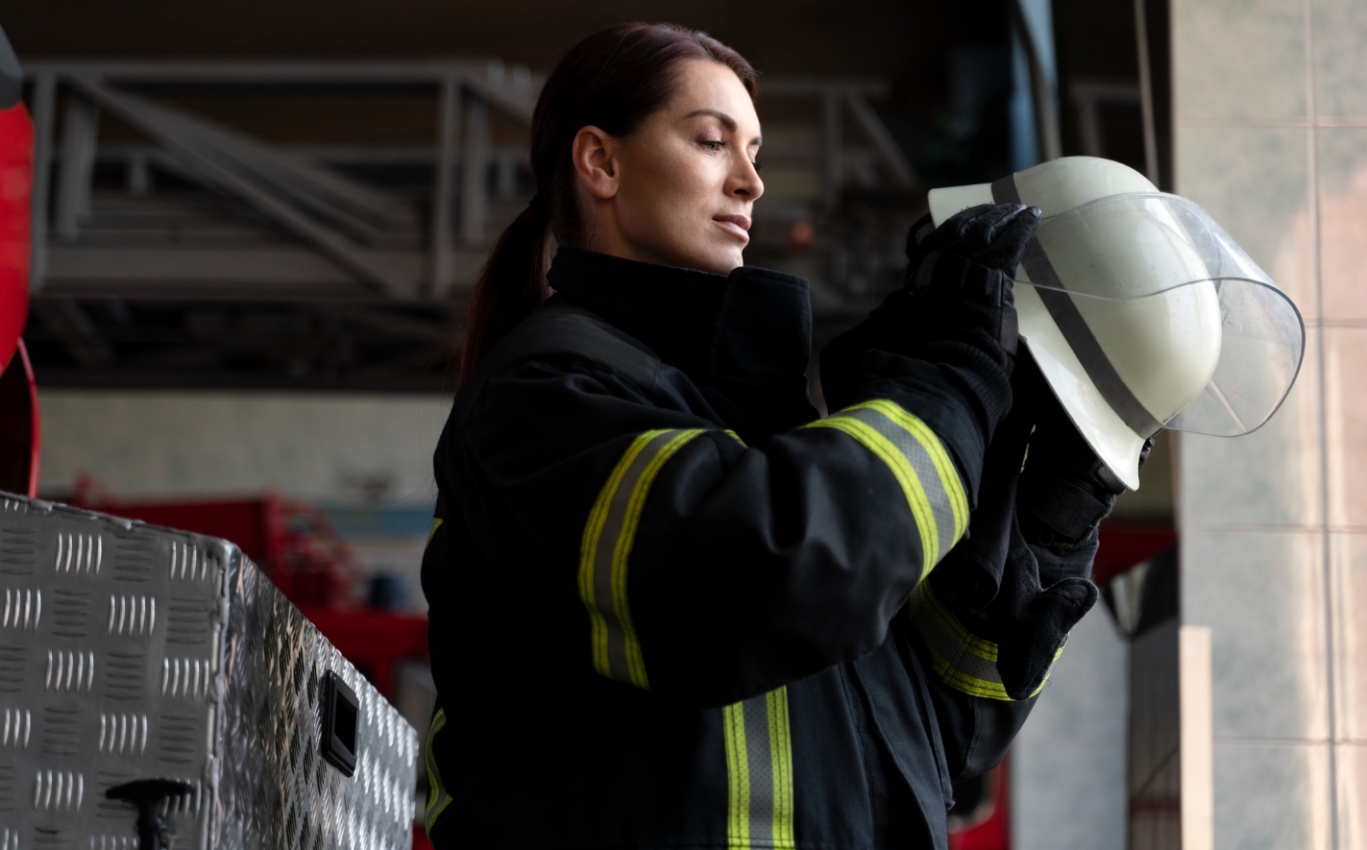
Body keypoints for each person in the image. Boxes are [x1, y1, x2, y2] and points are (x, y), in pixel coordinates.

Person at [421, 22, 1119, 850]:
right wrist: (953, 375)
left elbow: (944, 741)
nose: (751, 181)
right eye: (712, 141)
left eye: (754, 150)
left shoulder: (759, 434)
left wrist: (1043, 520)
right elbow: (774, 579)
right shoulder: (547, 392)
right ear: (599, 163)